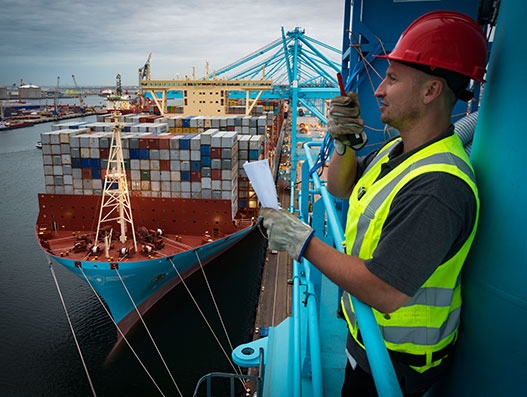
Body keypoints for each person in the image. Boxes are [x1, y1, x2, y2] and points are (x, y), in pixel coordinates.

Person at [259, 10, 488, 396]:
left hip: (395, 363)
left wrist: (302, 241)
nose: (378, 90)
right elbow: (340, 187)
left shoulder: (438, 187)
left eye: (392, 78)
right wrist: (344, 141)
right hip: (367, 336)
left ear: (431, 91)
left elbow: (384, 290)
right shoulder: (399, 151)